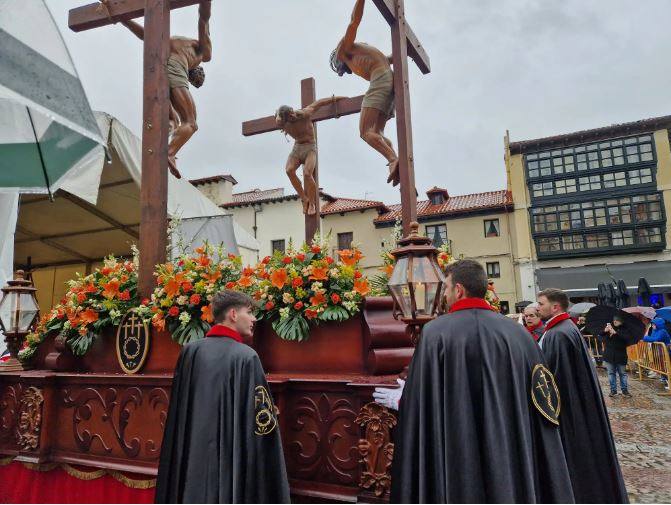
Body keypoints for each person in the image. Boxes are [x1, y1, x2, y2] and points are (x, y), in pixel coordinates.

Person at [378, 260, 574, 503]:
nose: (445, 295)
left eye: (447, 288)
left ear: (459, 290)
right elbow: (543, 400)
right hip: (509, 449)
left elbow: (420, 402)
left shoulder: (435, 334)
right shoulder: (519, 334)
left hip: (455, 453)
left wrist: (401, 400)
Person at [155, 290, 290, 503]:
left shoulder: (190, 352)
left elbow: (179, 417)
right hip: (228, 467)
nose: (254, 319)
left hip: (192, 465)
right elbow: (261, 424)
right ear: (234, 314)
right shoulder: (246, 357)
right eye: (250, 312)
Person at [537, 288, 628, 503]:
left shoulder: (559, 334)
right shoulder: (563, 329)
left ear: (555, 306)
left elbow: (554, 379)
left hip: (569, 413)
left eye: (541, 304)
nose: (538, 308)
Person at [117, 0, 212, 178]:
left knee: (173, 121)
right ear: (195, 72)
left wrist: (122, 18)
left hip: (157, 68)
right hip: (173, 67)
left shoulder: (177, 43)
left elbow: (147, 36)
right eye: (195, 81)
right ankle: (169, 153)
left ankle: (170, 142)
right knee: (191, 123)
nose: (194, 82)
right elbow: (203, 20)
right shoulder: (202, 55)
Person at [331, 0, 400, 186]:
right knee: (377, 132)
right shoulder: (369, 53)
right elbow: (395, 56)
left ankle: (393, 159)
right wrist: (406, 48)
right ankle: (395, 162)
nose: (346, 70)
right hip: (390, 82)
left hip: (381, 79)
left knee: (365, 131)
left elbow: (354, 21)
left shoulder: (344, 50)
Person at [274, 95, 345, 215]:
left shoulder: (304, 113)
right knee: (289, 170)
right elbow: (277, 116)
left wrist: (335, 99)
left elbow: (319, 103)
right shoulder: (281, 122)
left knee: (307, 173)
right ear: (285, 119)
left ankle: (312, 203)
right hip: (297, 148)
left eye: (292, 113)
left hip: (310, 147)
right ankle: (304, 199)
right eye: (290, 116)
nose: (293, 116)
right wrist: (278, 114)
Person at [600, 316, 633, 398]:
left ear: (621, 322)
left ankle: (624, 390)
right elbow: (600, 337)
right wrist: (605, 331)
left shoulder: (625, 330)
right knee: (611, 373)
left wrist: (616, 333)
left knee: (622, 373)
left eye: (617, 320)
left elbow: (626, 339)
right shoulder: (609, 328)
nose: (615, 321)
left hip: (620, 355)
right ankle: (613, 390)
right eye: (614, 320)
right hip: (609, 355)